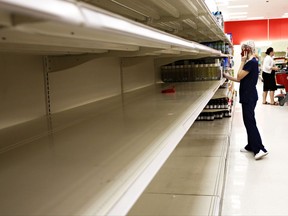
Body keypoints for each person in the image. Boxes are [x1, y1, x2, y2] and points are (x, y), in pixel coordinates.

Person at [223, 40, 268, 160]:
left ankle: (260, 149)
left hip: (249, 96)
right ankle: (250, 146)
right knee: (248, 122)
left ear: (248, 49)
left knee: (250, 122)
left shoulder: (250, 63)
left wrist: (242, 62)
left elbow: (239, 76)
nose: (242, 53)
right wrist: (227, 76)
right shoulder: (252, 62)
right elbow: (240, 79)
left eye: (243, 50)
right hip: (249, 95)